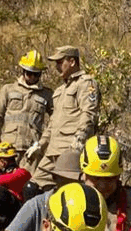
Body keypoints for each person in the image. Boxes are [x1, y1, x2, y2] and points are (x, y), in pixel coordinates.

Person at [25, 46, 98, 191]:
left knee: (69, 191)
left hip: (70, 150)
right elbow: (52, 125)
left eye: (60, 62)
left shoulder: (85, 84)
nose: (57, 67)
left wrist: (79, 140)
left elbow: (89, 114)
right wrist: (40, 145)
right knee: (31, 187)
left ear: (72, 62)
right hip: (52, 151)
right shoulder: (59, 91)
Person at [0, 149, 82, 231]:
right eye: (66, 180)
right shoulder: (38, 205)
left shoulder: (95, 207)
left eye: (76, 181)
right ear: (55, 178)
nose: (71, 187)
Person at [0, 49, 53, 175]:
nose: (33, 77)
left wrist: (42, 144)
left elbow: (56, 119)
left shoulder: (47, 94)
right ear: (23, 71)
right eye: (29, 73)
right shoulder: (8, 89)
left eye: (36, 74)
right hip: (7, 150)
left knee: (29, 188)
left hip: (31, 151)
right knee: (2, 187)